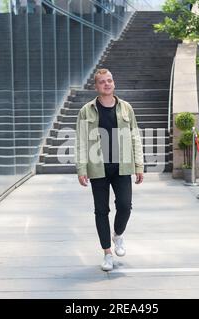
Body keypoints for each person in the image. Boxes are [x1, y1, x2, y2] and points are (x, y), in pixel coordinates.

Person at [75, 69, 144, 271]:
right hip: (98, 167)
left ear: (114, 83)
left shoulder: (126, 108)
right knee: (101, 211)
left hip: (122, 166)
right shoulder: (86, 111)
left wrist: (139, 165)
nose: (107, 84)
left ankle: (118, 234)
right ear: (96, 87)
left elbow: (135, 137)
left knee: (125, 205)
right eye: (102, 82)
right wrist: (81, 168)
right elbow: (80, 141)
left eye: (110, 80)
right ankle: (107, 254)